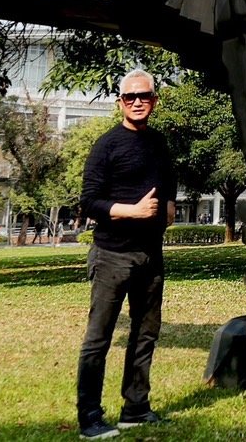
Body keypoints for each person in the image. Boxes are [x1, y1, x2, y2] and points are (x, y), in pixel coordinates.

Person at [76, 68, 177, 439]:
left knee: (145, 333)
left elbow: (168, 183)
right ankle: (89, 417)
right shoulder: (106, 145)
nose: (138, 102)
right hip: (112, 256)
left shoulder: (159, 143)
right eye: (130, 97)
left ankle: (135, 407)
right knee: (98, 339)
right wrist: (129, 211)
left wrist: (168, 208)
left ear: (154, 100)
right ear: (120, 102)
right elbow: (89, 202)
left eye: (144, 96)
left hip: (150, 256)